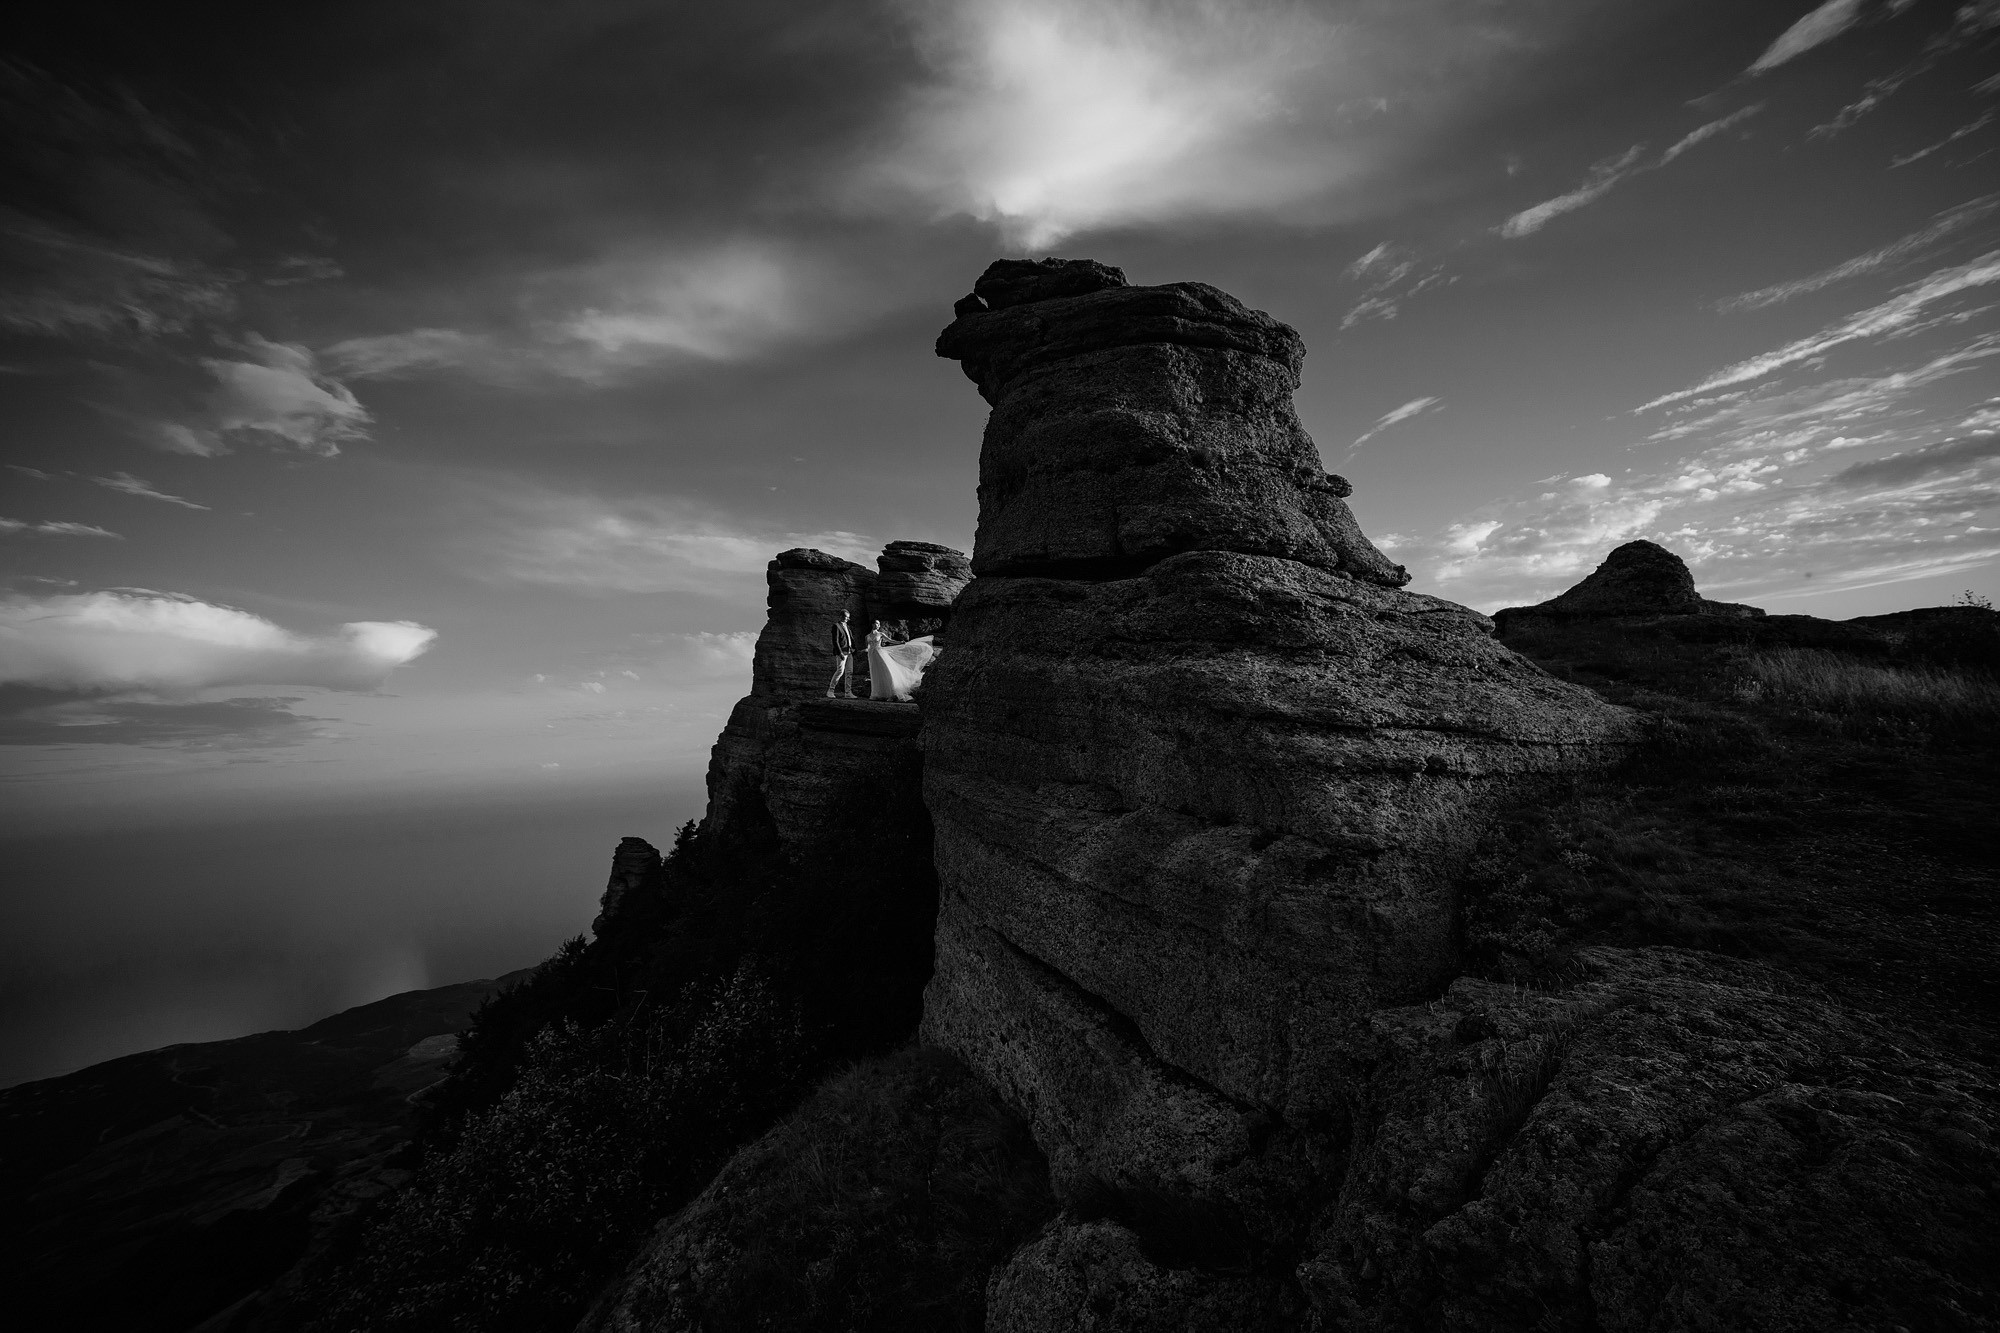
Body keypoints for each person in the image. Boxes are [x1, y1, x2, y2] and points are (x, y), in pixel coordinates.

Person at [864, 620, 939, 702]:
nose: (878, 625)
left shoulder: (880, 634)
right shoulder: (867, 636)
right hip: (872, 656)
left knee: (885, 671)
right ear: (872, 624)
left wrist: (899, 642)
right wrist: (864, 650)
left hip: (880, 653)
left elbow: (890, 640)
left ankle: (892, 693)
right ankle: (878, 693)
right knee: (876, 673)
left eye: (879, 624)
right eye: (877, 623)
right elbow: (867, 647)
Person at [827, 608, 857, 698]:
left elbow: (850, 639)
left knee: (849, 672)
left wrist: (854, 649)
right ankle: (830, 691)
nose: (848, 619)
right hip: (842, 653)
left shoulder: (847, 626)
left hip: (849, 652)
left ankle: (848, 693)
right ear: (841, 616)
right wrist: (840, 653)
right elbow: (835, 641)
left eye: (848, 617)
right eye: (846, 617)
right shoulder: (836, 626)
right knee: (840, 671)